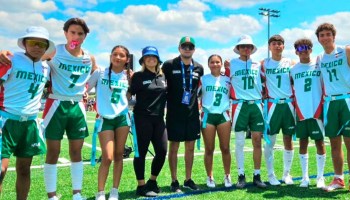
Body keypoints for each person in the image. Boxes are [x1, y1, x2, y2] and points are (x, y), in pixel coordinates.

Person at [0, 18, 96, 200]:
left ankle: (77, 193)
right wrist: (3, 54)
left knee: (26, 167)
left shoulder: (83, 58)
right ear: (65, 33)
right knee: (6, 169)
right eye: (72, 32)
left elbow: (96, 73)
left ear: (85, 36)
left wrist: (85, 91)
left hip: (58, 113)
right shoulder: (45, 54)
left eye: (80, 33)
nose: (76, 36)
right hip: (38, 110)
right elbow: (22, 61)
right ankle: (52, 194)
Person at [0, 26, 54, 199]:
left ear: (46, 47)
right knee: (1, 170)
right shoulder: (11, 60)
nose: (37, 47)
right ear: (24, 43)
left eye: (42, 44)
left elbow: (72, 49)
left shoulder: (46, 67)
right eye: (32, 42)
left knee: (24, 170)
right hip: (6, 120)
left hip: (30, 123)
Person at [87, 45, 131, 200]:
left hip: (122, 118)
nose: (117, 58)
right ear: (110, 56)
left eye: (121, 55)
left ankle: (114, 190)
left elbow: (131, 96)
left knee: (119, 155)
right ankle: (100, 192)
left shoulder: (129, 76)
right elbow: (86, 87)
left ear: (127, 59)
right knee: (107, 156)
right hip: (105, 118)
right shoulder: (100, 72)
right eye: (115, 54)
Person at [162, 36, 204, 192]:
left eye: (190, 46)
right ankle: (174, 180)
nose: (187, 49)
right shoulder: (168, 65)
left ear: (194, 49)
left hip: (192, 114)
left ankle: (188, 179)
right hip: (174, 114)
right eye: (184, 46)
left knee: (190, 148)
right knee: (173, 148)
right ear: (179, 48)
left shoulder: (199, 67)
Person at [225, 35, 266, 189]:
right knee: (240, 142)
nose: (246, 49)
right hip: (239, 106)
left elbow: (266, 80)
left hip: (256, 105)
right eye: (243, 46)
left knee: (257, 141)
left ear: (252, 48)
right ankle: (241, 175)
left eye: (248, 46)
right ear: (238, 49)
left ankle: (257, 175)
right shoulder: (231, 64)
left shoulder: (258, 64)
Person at [128, 46, 167, 197]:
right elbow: (128, 94)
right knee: (141, 154)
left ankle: (152, 181)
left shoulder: (163, 77)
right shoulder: (138, 76)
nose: (151, 59)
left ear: (158, 59)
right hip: (141, 119)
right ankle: (141, 185)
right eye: (147, 57)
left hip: (159, 120)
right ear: (143, 60)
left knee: (162, 151)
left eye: (153, 56)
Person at [315, 23, 350, 191]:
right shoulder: (319, 58)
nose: (325, 37)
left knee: (349, 142)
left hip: (347, 100)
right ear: (318, 39)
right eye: (322, 35)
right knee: (334, 143)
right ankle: (338, 179)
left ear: (334, 36)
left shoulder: (346, 50)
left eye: (328, 34)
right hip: (330, 103)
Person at [290, 38, 326, 188]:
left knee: (320, 142)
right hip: (301, 110)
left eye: (306, 48)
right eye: (300, 48)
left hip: (317, 108)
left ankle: (320, 177)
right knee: (302, 143)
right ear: (296, 52)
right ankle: (305, 177)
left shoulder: (319, 64)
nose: (303, 50)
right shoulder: (293, 69)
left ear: (311, 49)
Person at [261, 35, 295, 185]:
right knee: (270, 141)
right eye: (274, 43)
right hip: (272, 105)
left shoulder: (291, 63)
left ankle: (287, 173)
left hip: (288, 104)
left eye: (279, 43)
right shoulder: (264, 64)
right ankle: (270, 174)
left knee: (288, 139)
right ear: (269, 47)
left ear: (283, 46)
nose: (277, 46)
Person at [198, 54, 232, 188]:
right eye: (212, 62)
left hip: (223, 115)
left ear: (221, 64)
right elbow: (195, 95)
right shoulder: (203, 79)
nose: (215, 64)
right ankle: (210, 176)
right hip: (208, 115)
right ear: (208, 64)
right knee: (209, 148)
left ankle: (227, 175)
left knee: (225, 148)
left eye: (218, 62)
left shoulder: (228, 79)